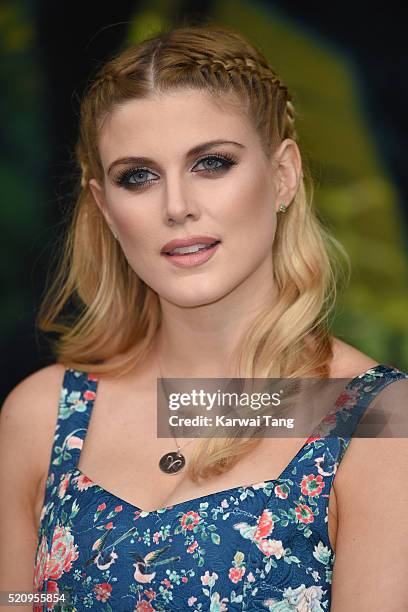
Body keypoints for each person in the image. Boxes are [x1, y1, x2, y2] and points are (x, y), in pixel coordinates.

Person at [0, 22, 407, 612]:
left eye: (211, 163)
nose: (177, 207)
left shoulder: (377, 421)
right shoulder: (41, 415)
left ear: (283, 174)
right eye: (137, 177)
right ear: (106, 210)